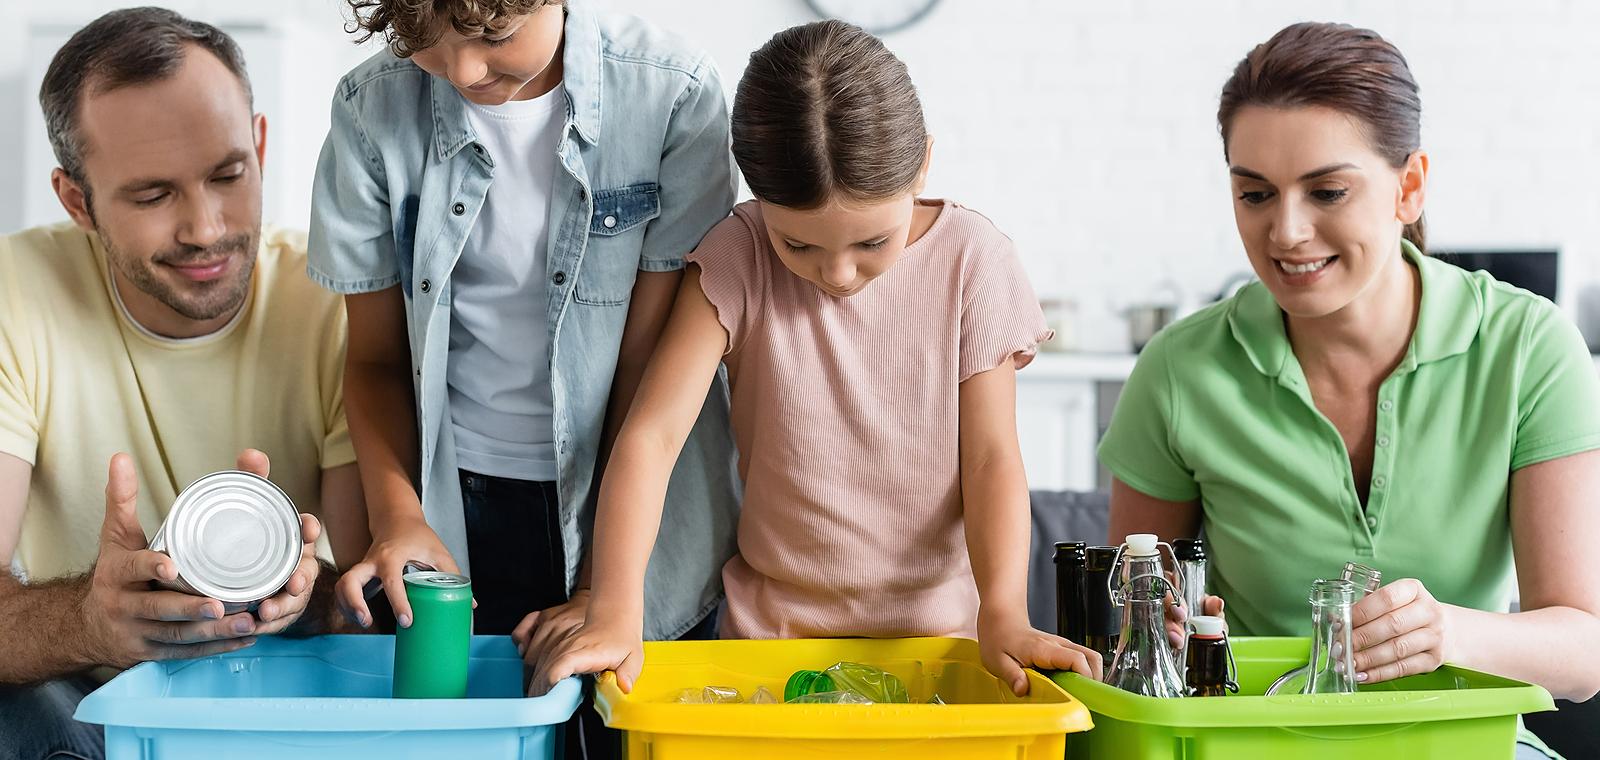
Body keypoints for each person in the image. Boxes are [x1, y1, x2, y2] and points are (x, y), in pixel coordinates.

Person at [531, 20, 1100, 697]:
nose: (838, 274)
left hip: (940, 643)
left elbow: (990, 460)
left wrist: (1004, 613)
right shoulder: (738, 254)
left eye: (871, 242)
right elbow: (651, 439)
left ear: (921, 163)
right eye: (798, 246)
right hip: (770, 645)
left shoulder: (974, 263)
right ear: (756, 194)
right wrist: (618, 609)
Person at [1099, 22, 1600, 758]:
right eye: (1256, 194)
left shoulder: (1528, 349)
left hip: (1467, 744)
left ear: (1411, 186)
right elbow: (1131, 626)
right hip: (1255, 744)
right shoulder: (1180, 369)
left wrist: (1449, 632)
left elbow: (1584, 653)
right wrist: (1157, 633)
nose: (1287, 231)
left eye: (1327, 190)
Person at [0, 9, 362, 759]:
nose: (204, 227)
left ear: (260, 145)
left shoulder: (337, 305)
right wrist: (90, 622)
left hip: (288, 706)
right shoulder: (15, 292)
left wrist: (300, 595)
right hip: (91, 710)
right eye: (152, 195)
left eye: (229, 175)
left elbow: (369, 604)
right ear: (77, 202)